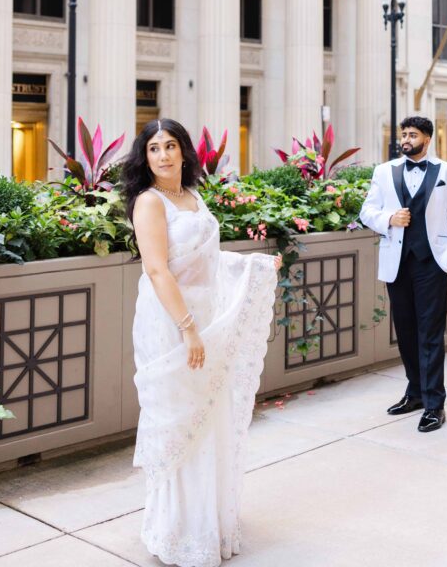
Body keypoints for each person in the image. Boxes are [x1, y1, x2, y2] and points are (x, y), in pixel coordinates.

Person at [124, 118, 281, 567]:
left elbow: (206, 261)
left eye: (170, 146)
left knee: (208, 417)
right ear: (145, 157)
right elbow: (158, 270)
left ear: (185, 151)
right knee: (179, 420)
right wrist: (189, 327)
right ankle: (178, 530)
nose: (163, 156)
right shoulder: (149, 203)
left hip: (205, 315)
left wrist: (255, 266)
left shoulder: (192, 196)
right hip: (171, 320)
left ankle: (206, 523)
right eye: (154, 149)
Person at [359, 115, 447, 432]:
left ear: (427, 138)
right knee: (406, 332)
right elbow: (367, 211)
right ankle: (415, 393)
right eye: (403, 134)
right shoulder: (384, 172)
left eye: (412, 134)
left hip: (432, 262)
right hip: (397, 262)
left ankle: (435, 404)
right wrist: (389, 218)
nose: (406, 139)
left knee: (430, 334)